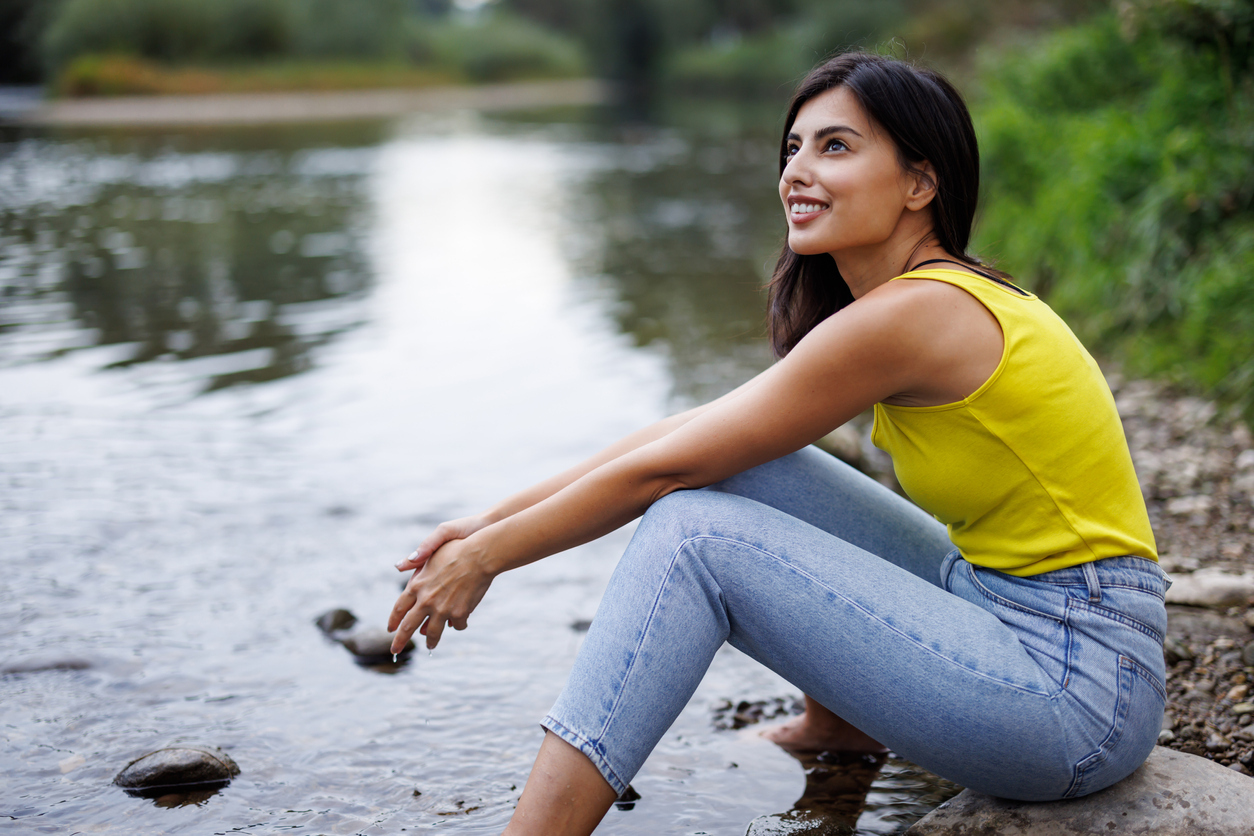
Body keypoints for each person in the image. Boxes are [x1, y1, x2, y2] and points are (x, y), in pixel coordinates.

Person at [387, 52, 1168, 836]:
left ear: (919, 183)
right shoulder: (922, 301)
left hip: (1078, 686)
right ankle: (838, 733)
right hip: (1012, 602)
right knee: (754, 465)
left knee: (692, 537)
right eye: (792, 148)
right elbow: (684, 434)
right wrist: (485, 523)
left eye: (835, 146)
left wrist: (490, 559)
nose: (797, 170)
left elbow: (669, 468)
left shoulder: (916, 315)